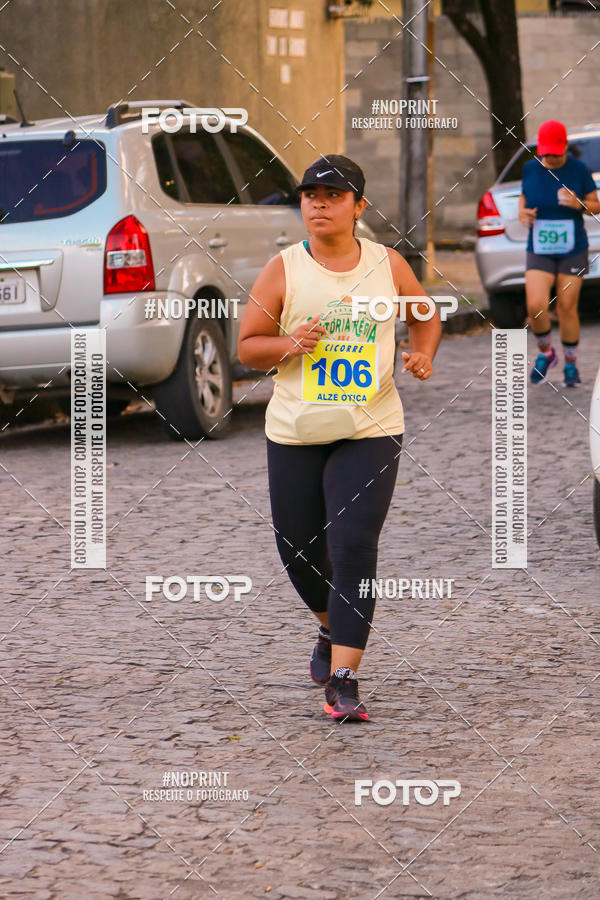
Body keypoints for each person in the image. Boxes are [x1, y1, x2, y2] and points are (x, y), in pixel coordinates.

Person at [237, 154, 441, 722]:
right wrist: (290, 343)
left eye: (333, 195)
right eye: (311, 195)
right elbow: (248, 346)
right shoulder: (282, 269)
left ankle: (345, 679)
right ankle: (330, 627)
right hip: (296, 430)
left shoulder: (386, 264)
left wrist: (422, 352)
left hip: (370, 427)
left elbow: (426, 315)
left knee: (353, 545)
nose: (320, 204)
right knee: (298, 550)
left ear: (358, 206)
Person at [519, 120, 600, 387]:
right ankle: (546, 353)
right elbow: (523, 198)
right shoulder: (530, 169)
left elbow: (596, 205)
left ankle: (570, 364)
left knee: (566, 306)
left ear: (565, 146)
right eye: (546, 153)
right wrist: (522, 213)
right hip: (539, 247)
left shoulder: (579, 169)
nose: (550, 158)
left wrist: (579, 204)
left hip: (572, 248)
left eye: (555, 152)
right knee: (535, 306)